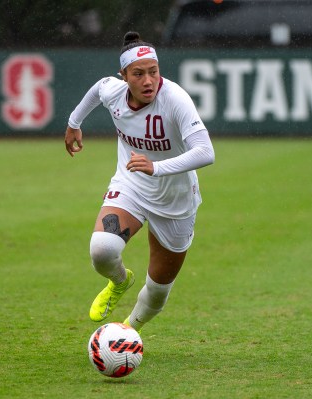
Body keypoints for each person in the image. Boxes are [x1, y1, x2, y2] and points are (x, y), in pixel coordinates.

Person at [64, 31, 215, 333]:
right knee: (102, 250)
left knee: (157, 293)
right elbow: (97, 89)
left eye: (153, 72)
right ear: (124, 76)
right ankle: (120, 281)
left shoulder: (175, 99)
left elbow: (206, 152)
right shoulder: (114, 91)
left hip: (176, 201)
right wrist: (74, 123)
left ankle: (127, 331)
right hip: (131, 185)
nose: (148, 81)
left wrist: (156, 168)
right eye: (138, 74)